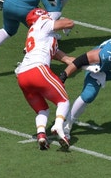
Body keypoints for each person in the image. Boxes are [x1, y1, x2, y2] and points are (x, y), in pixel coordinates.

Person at [15, 8, 74, 150]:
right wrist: (65, 25)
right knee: (63, 100)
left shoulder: (36, 33)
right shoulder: (42, 22)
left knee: (42, 109)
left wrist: (71, 60)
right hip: (38, 70)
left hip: (22, 75)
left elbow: (57, 54)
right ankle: (58, 127)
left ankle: (41, 134)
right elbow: (69, 23)